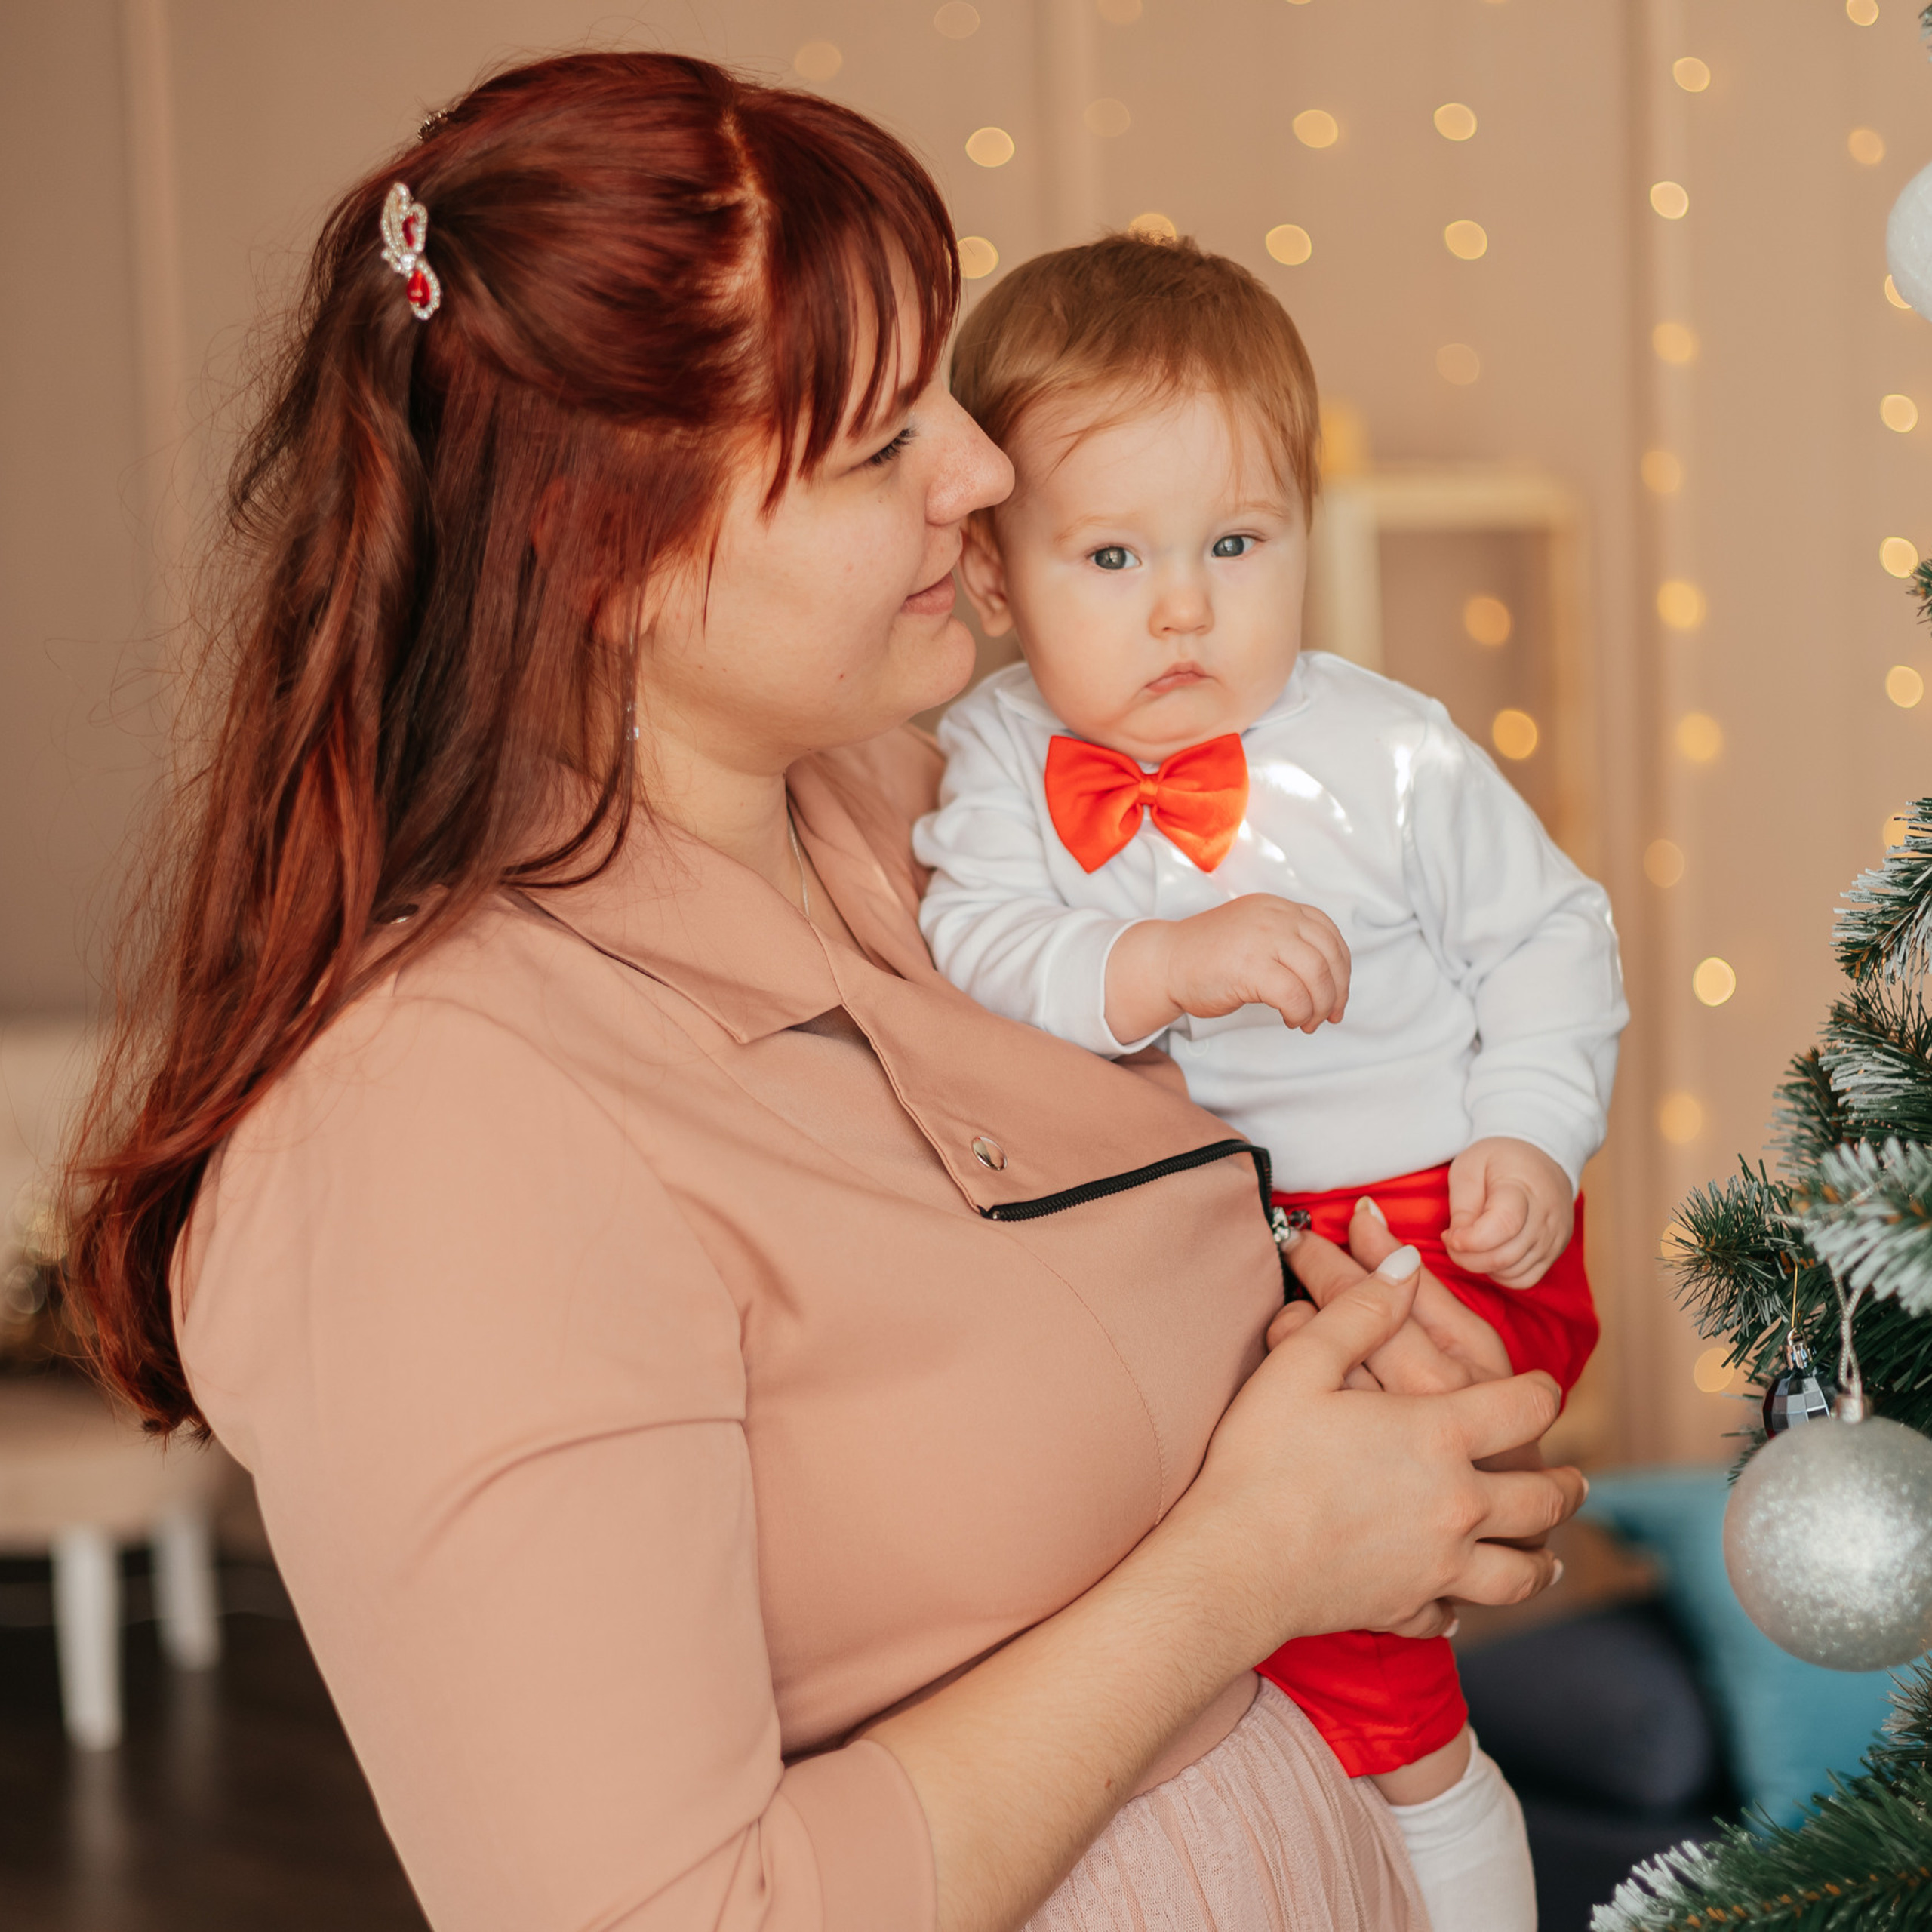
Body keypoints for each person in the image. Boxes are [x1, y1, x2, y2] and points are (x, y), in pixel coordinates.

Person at [60, 53, 1583, 1932]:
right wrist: (1251, 1560)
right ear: (594, 549)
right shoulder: (435, 1121)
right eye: (878, 444)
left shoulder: (940, 810)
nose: (984, 468)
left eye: (941, 386)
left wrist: (1372, 1395)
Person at [916, 235, 1629, 1930]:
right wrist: (1156, 963)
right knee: (1257, 1626)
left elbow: (1550, 937)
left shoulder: (1384, 748)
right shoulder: (1001, 754)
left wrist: (1532, 1124)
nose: (1183, 606)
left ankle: (1454, 1856)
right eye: (1110, 555)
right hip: (1203, 1256)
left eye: (1236, 543)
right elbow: (976, 941)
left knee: (1362, 1662)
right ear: (998, 580)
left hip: (1425, 1224)